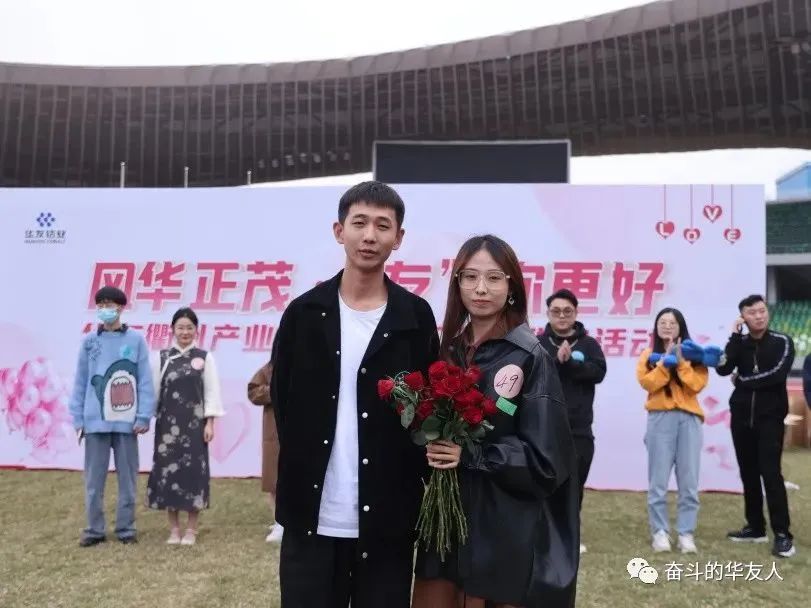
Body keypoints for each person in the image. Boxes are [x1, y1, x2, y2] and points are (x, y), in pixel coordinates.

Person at [270, 181, 440, 607]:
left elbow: (426, 413)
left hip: (388, 519)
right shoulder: (304, 314)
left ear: (398, 238)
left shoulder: (414, 317)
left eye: (382, 226)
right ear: (338, 230)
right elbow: (284, 403)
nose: (369, 236)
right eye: (359, 223)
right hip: (312, 515)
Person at [412, 235, 579, 608]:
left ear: (512, 287)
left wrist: (472, 454)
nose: (481, 289)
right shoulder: (448, 351)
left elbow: (547, 461)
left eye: (493, 278)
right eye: (470, 277)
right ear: (457, 284)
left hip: (500, 529)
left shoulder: (531, 357)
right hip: (446, 527)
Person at [68, 286, 155, 547]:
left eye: (110, 304)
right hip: (95, 422)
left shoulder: (136, 340)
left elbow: (144, 381)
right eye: (101, 304)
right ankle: (94, 529)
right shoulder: (89, 342)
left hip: (127, 423)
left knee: (128, 479)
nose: (105, 309)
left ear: (121, 307)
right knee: (93, 481)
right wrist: (78, 419)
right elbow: (81, 381)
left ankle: (126, 528)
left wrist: (143, 416)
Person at [716, 294, 796, 558]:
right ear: (743, 318)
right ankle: (755, 527)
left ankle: (782, 535)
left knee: (771, 475)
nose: (759, 316)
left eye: (762, 311)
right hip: (741, 418)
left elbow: (776, 375)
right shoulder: (740, 343)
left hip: (770, 419)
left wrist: (743, 381)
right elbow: (723, 368)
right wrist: (734, 336)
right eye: (752, 313)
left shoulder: (782, 341)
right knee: (748, 474)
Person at [146, 307, 224, 546]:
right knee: (168, 474)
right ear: (172, 329)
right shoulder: (162, 357)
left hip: (195, 428)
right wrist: (146, 419)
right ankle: (173, 529)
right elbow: (153, 393)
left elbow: (211, 392)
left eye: (189, 327)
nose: (185, 332)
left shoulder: (204, 357)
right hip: (167, 429)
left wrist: (210, 423)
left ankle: (191, 529)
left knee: (193, 476)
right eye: (180, 327)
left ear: (196, 330)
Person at [538, 288, 606, 555]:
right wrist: (558, 361)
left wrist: (571, 364)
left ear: (576, 313)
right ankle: (544, 536)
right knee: (546, 485)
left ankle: (571, 536)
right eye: (556, 311)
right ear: (548, 313)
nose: (562, 316)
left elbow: (598, 372)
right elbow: (535, 376)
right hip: (544, 429)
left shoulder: (589, 345)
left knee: (574, 487)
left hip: (578, 430)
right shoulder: (539, 343)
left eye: (567, 311)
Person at [636, 308, 708, 554]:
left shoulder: (695, 356)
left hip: (689, 419)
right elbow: (648, 383)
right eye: (662, 322)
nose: (667, 326)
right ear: (656, 327)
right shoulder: (648, 355)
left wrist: (681, 361)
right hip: (660, 419)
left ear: (681, 327)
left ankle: (686, 533)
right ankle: (660, 532)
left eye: (672, 323)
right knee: (658, 481)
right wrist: (665, 362)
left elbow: (696, 384)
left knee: (689, 481)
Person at [247, 361, 283, 543]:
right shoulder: (269, 368)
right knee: (274, 480)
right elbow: (253, 392)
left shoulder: (307, 364)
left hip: (302, 432)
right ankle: (279, 523)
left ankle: (295, 522)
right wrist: (274, 390)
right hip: (275, 434)